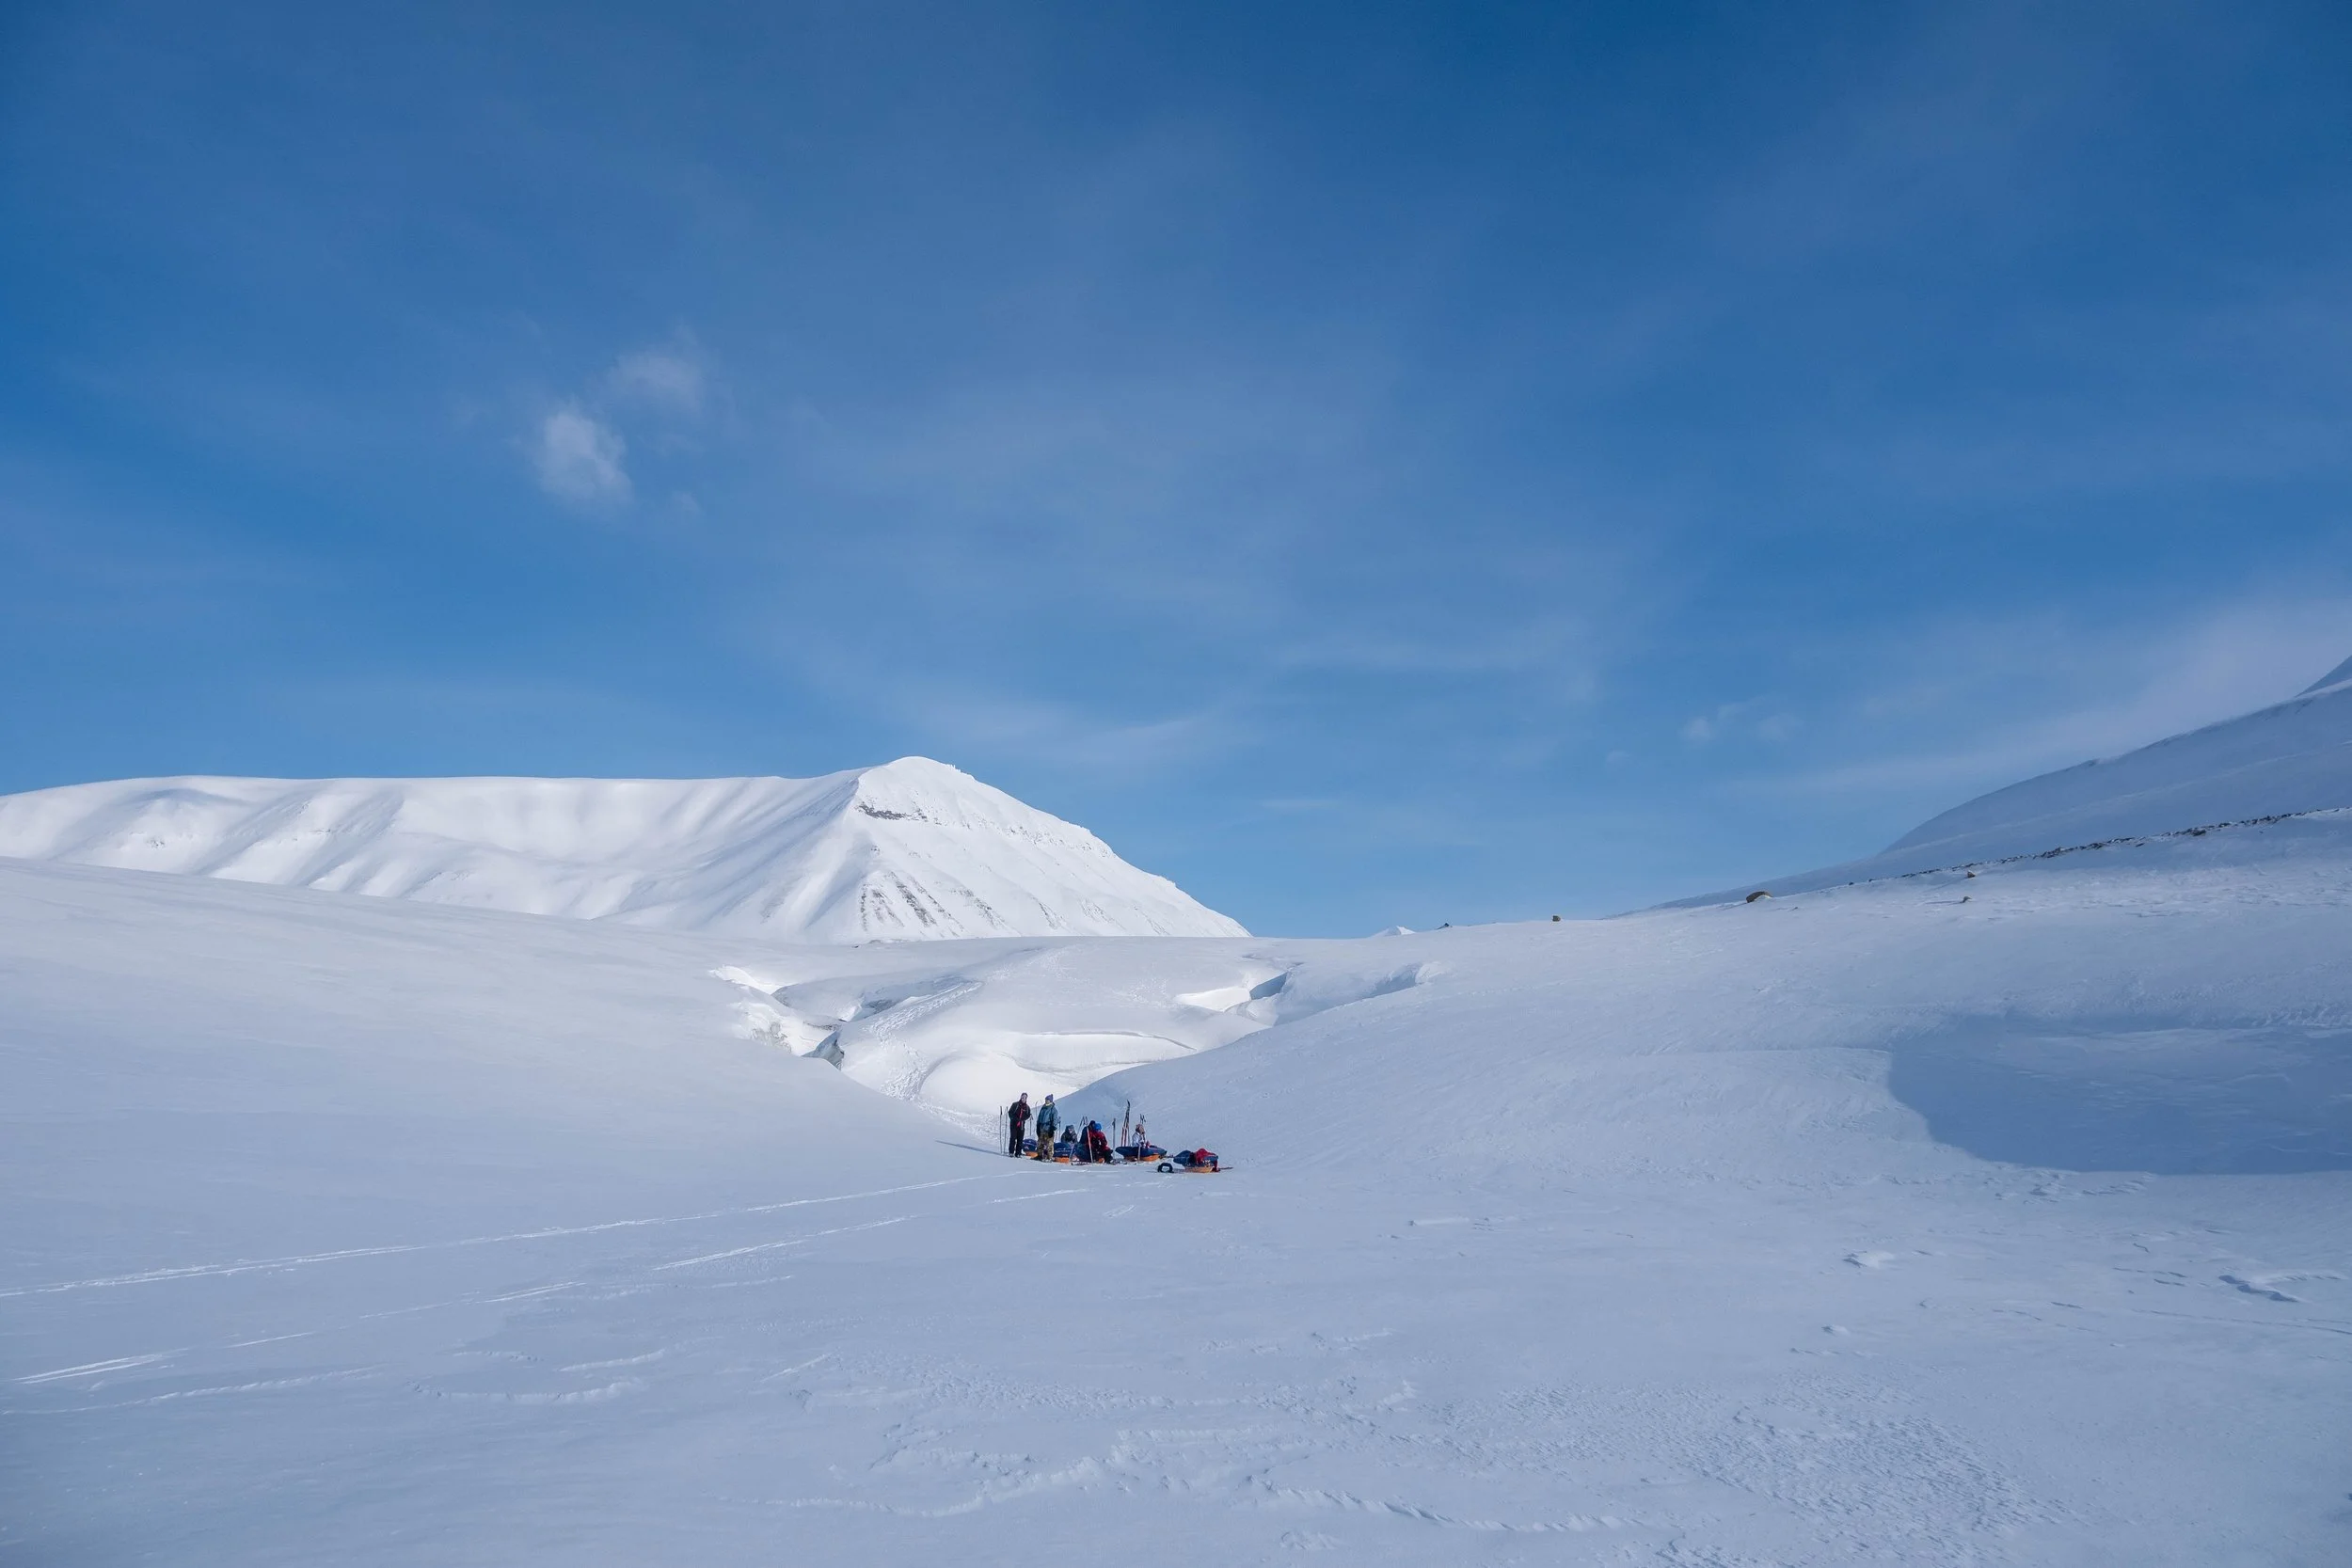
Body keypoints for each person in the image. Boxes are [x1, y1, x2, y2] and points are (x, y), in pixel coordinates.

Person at [1031, 1095, 1059, 1160]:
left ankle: (1049, 1157)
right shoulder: (1043, 1108)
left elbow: (1055, 1120)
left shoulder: (1053, 1109)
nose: (1046, 1101)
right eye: (1046, 1100)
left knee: (1049, 1144)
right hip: (1042, 1128)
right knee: (1040, 1142)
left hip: (1049, 1128)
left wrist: (1052, 1129)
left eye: (1047, 1100)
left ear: (1050, 1101)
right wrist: (1038, 1126)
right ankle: (1039, 1155)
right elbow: (1039, 1117)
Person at [1006, 1093, 1030, 1157]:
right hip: (1014, 1124)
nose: (1023, 1099)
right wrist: (1014, 1118)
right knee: (1013, 1138)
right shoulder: (1015, 1104)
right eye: (1023, 1097)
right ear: (1021, 1097)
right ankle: (1011, 1152)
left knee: (1020, 1139)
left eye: (1025, 1098)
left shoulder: (1027, 1107)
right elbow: (1010, 1113)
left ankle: (1018, 1153)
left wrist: (1023, 1119)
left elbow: (1028, 1115)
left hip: (1021, 1125)